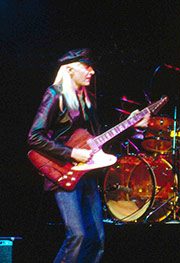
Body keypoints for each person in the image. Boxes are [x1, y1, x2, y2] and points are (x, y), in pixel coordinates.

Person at [27, 48, 149, 262]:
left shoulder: (88, 99)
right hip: (64, 171)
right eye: (86, 66)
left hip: (87, 174)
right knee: (77, 235)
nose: (91, 71)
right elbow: (34, 137)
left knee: (97, 238)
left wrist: (133, 127)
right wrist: (71, 152)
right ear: (70, 69)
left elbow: (101, 142)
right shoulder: (55, 94)